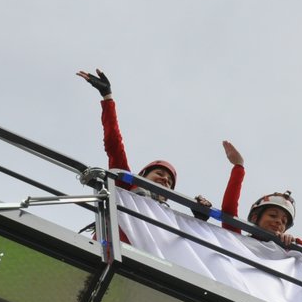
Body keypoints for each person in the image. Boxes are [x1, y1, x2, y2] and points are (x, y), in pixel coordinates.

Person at [76, 68, 211, 214]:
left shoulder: (170, 221)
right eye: (159, 174)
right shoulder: (125, 186)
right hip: (115, 235)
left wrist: (200, 216)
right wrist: (107, 97)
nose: (165, 180)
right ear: (142, 176)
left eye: (170, 183)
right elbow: (114, 144)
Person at [217, 142, 302, 258]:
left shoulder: (286, 251)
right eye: (272, 215)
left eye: (284, 221)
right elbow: (229, 209)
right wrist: (239, 166)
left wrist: (296, 242)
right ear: (255, 218)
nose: (278, 222)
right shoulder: (238, 240)